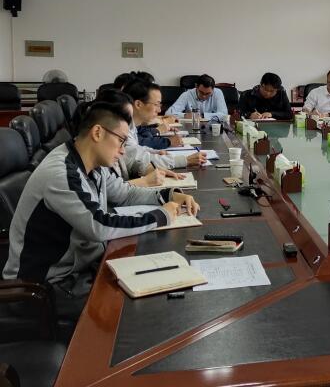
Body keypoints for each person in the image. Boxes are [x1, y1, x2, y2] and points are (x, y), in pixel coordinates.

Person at [2, 101, 199, 320]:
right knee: (137, 308)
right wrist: (162, 215)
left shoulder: (92, 164)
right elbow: (99, 225)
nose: (123, 150)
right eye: (121, 140)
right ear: (97, 132)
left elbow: (125, 194)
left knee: (154, 281)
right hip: (45, 285)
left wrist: (169, 195)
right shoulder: (61, 173)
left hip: (78, 266)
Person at [89, 88, 184, 187]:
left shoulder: (110, 145)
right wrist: (145, 181)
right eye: (126, 118)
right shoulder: (94, 165)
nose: (123, 151)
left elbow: (129, 164)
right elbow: (113, 191)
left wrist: (148, 168)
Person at [123, 80, 206, 169]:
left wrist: (154, 152)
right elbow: (138, 159)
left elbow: (136, 149)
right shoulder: (122, 129)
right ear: (138, 104)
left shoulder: (131, 126)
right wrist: (185, 160)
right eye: (156, 104)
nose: (159, 110)